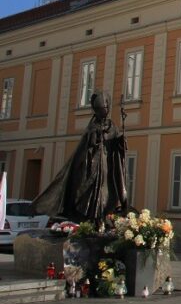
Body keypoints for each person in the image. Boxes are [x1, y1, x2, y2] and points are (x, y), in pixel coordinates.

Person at [31, 91, 128, 223]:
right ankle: (91, 221)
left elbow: (117, 145)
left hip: (107, 168)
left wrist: (121, 141)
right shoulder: (92, 126)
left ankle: (102, 220)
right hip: (92, 168)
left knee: (108, 195)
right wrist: (97, 136)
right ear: (96, 110)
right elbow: (88, 145)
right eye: (100, 109)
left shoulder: (112, 126)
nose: (103, 111)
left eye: (105, 108)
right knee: (90, 195)